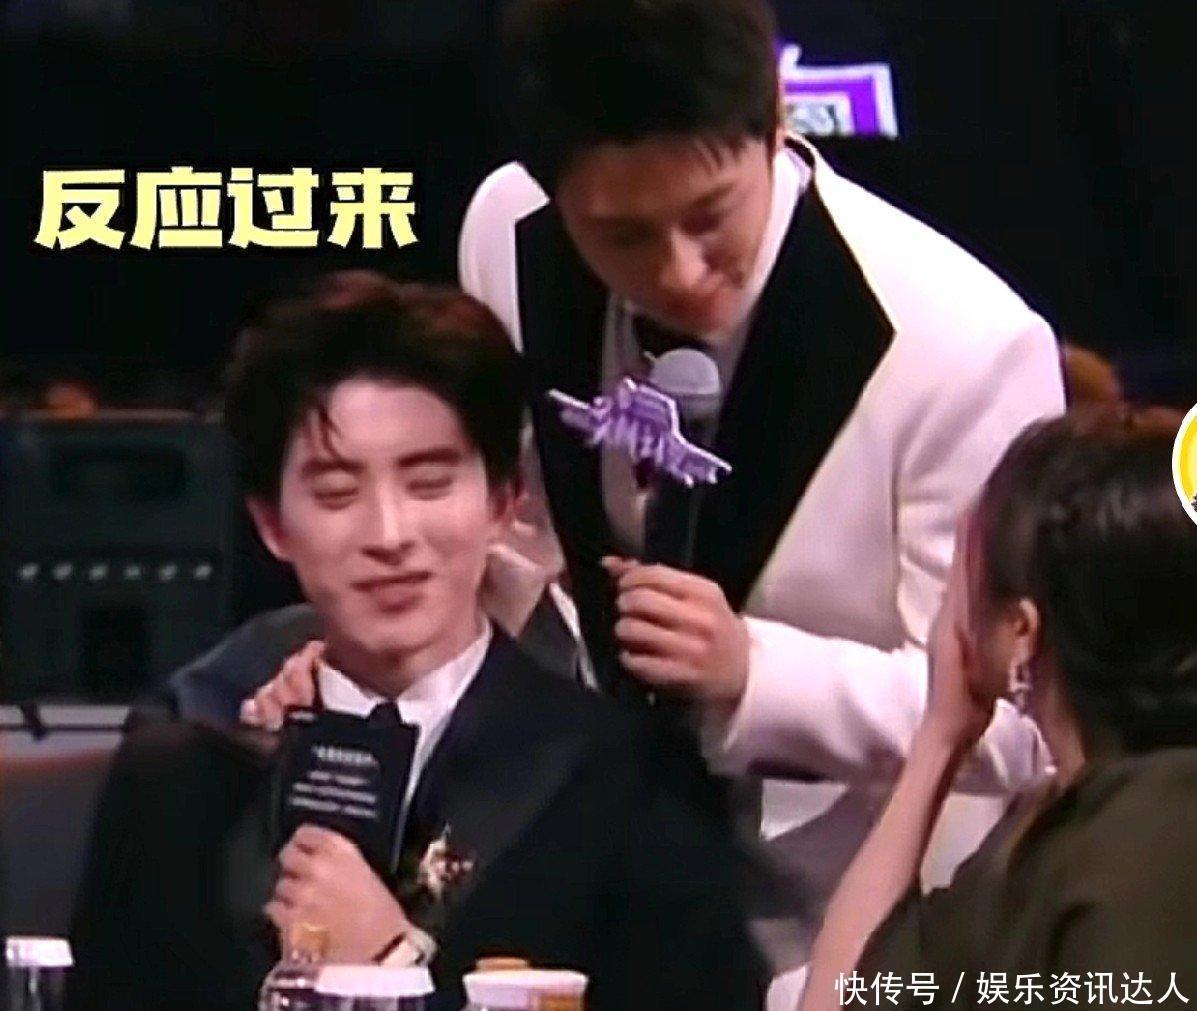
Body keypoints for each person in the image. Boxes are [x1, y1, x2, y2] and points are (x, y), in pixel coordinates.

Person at [453, 0, 1065, 998]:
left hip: (848, 925)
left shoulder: (962, 348)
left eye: (710, 217)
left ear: (777, 121)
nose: (679, 272)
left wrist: (755, 674)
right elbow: (521, 536)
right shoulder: (506, 234)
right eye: (622, 236)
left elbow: (1021, 719)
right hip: (590, 878)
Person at [68, 273, 762, 1011]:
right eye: (337, 493)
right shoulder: (189, 768)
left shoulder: (624, 780)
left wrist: (390, 967)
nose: (390, 535)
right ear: (272, 525)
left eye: (429, 484)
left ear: (502, 503)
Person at [803, 408, 1197, 1010]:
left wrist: (939, 738)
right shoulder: (1082, 817)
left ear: (1022, 632)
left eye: (963, 570)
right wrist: (940, 737)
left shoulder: (1125, 856)